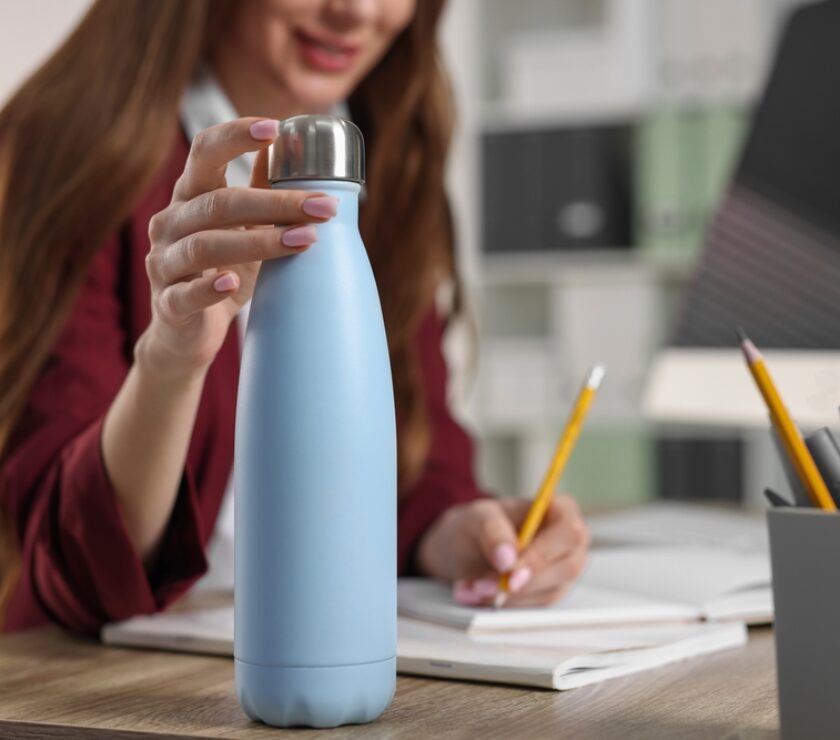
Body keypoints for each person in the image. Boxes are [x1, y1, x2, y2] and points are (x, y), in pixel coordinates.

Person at [0, 0, 589, 633]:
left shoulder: (383, 156)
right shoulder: (69, 156)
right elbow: (76, 562)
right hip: (103, 683)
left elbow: (416, 457)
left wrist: (460, 536)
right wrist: (171, 364)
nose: (357, 11)